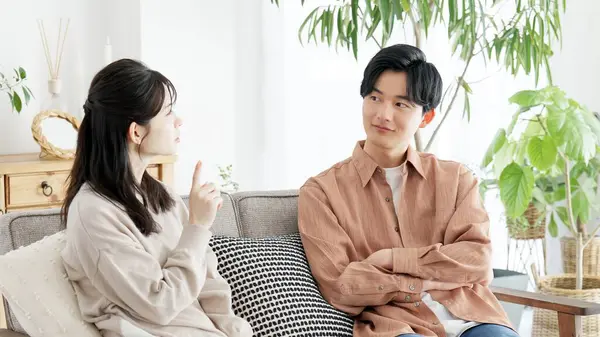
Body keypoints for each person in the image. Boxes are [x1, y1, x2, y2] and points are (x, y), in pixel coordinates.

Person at [297, 44, 518, 337]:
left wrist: (390, 258)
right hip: (396, 327)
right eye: (375, 98)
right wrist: (425, 281)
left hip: (473, 319)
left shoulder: (456, 179)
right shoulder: (321, 192)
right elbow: (341, 285)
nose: (383, 115)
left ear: (425, 117)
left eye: (401, 104)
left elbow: (477, 260)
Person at [60, 59, 252, 337]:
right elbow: (159, 305)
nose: (179, 120)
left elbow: (207, 281)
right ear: (136, 131)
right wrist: (197, 227)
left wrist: (235, 330)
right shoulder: (93, 213)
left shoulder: (162, 195)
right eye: (168, 112)